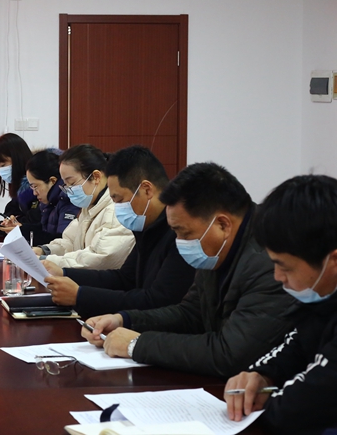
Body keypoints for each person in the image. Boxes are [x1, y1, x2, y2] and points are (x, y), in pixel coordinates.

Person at [80, 162, 299, 379]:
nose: (179, 242)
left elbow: (231, 354)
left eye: (184, 233)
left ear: (223, 225)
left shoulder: (270, 263)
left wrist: (136, 344)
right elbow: (191, 313)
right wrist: (124, 320)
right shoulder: (218, 248)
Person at [225, 175, 337, 434]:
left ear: (333, 261)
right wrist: (260, 376)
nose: (277, 277)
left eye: (285, 267)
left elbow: (296, 409)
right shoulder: (320, 298)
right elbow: (295, 345)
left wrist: (265, 398)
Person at [43, 145, 196, 318]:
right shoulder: (146, 226)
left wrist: (80, 295)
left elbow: (157, 300)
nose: (117, 208)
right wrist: (64, 273)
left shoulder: (181, 234)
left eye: (120, 200)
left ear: (147, 190)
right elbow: (125, 278)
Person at [33, 144, 134, 270]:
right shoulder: (90, 205)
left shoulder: (116, 211)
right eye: (66, 184)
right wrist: (44, 250)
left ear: (96, 177)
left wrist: (47, 260)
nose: (69, 190)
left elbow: (99, 258)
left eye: (72, 183)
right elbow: (70, 242)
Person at [0, 133, 40, 237]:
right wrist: (0, 224)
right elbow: (12, 213)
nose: (1, 171)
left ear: (18, 158)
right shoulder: (20, 189)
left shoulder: (38, 186)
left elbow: (33, 221)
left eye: (3, 165)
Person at [16, 149, 79, 244]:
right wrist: (19, 228)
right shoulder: (50, 202)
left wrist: (22, 231)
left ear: (52, 181)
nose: (34, 193)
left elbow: (62, 241)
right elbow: (44, 229)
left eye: (35, 186)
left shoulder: (68, 200)